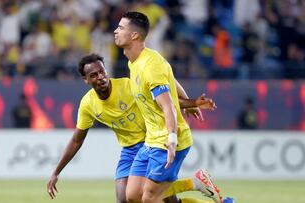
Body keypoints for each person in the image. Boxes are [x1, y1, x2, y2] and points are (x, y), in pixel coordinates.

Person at [47, 54, 223, 203]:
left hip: (152, 142)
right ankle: (196, 183)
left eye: (102, 71)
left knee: (160, 199)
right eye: (93, 75)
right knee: (125, 199)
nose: (100, 77)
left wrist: (190, 103)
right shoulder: (88, 104)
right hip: (129, 150)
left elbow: (163, 96)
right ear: (86, 80)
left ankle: (195, 184)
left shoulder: (127, 85)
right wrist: (56, 172)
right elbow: (77, 139)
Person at [114, 11, 234, 203]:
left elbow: (168, 105)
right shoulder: (135, 61)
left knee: (149, 198)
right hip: (151, 140)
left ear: (134, 35)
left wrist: (171, 139)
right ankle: (195, 182)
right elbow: (171, 79)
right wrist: (189, 101)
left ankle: (197, 185)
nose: (115, 31)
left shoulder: (150, 65)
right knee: (132, 196)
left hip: (166, 141)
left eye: (120, 28)